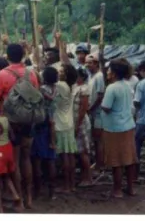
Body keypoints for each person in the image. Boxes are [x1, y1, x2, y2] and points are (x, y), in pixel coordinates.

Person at [0, 43, 39, 208]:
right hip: (29, 121)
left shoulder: (2, 74)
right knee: (27, 158)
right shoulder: (32, 73)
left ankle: (20, 202)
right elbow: (35, 97)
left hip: (11, 123)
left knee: (15, 162)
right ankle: (29, 197)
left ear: (7, 56)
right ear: (24, 55)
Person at [101, 59, 138, 198]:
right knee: (129, 159)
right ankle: (131, 188)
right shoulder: (128, 85)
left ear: (114, 73)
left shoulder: (112, 88)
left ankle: (117, 190)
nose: (107, 72)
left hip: (114, 128)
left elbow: (106, 106)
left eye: (109, 70)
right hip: (128, 125)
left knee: (116, 161)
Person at [32, 67, 58, 200]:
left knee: (37, 160)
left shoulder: (41, 90)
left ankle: (37, 190)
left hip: (40, 125)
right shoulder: (56, 88)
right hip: (52, 124)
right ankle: (52, 192)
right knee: (50, 159)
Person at [54, 64, 78, 193]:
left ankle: (66, 186)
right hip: (68, 123)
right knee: (70, 155)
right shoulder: (69, 85)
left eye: (62, 71)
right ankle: (72, 184)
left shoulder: (60, 85)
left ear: (66, 74)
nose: (59, 73)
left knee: (64, 156)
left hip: (60, 123)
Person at [73, 68, 93, 186]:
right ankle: (84, 175)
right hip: (77, 121)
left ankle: (88, 177)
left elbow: (83, 108)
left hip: (81, 123)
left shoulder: (84, 89)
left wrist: (77, 124)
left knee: (83, 151)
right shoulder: (75, 87)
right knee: (79, 150)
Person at [86, 54, 105, 172]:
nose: (88, 65)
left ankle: (99, 164)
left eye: (90, 63)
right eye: (87, 63)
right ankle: (98, 162)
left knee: (98, 140)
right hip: (93, 112)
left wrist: (91, 108)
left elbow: (100, 96)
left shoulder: (99, 76)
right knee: (95, 139)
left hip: (97, 113)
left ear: (96, 64)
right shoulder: (91, 76)